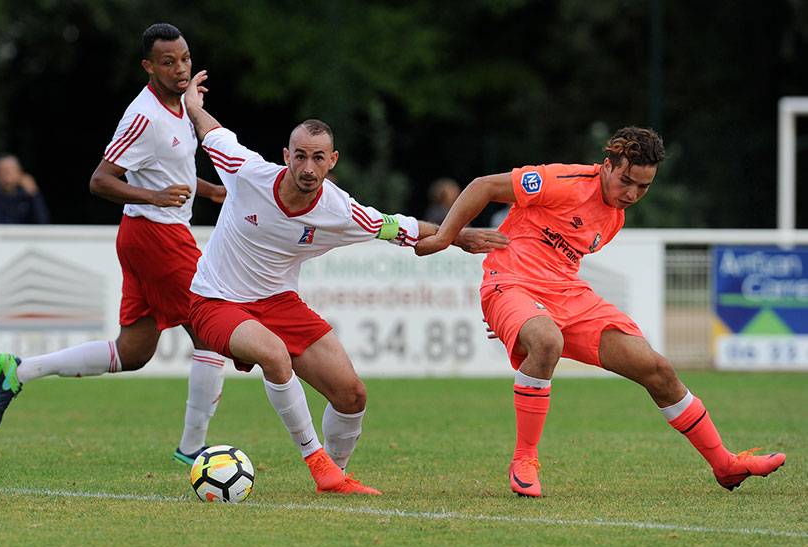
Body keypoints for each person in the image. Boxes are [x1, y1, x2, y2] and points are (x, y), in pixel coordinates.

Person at [182, 70, 508, 495]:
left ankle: (334, 476)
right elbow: (212, 132)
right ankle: (318, 464)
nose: (308, 167)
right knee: (275, 355)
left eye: (319, 158)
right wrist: (192, 104)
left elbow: (400, 228)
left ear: (332, 161)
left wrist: (457, 235)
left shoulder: (339, 210)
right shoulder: (247, 172)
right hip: (215, 299)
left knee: (352, 396)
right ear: (285, 155)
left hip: (277, 302)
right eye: (300, 156)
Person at [415, 127, 786, 497]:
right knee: (546, 339)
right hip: (511, 283)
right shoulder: (562, 180)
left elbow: (558, 264)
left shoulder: (614, 218)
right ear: (607, 165)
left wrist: (521, 320)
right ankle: (524, 459)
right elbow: (483, 185)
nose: (632, 194)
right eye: (626, 181)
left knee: (657, 369)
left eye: (643, 187)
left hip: (565, 295)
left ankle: (724, 463)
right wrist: (447, 237)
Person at [0, 23, 229, 466]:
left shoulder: (179, 107)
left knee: (133, 352)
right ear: (148, 66)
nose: (180, 69)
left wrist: (209, 191)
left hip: (148, 234)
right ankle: (192, 448)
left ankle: (19, 371)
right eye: (168, 62)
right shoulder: (144, 116)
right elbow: (101, 180)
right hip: (157, 235)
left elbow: (163, 169)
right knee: (211, 333)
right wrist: (154, 197)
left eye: (185, 59)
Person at [0, 154, 51, 224]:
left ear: (20, 172)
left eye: (11, 170)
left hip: (26, 236)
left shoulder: (27, 192)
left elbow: (43, 221)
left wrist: (34, 194)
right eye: (3, 170)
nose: (7, 174)